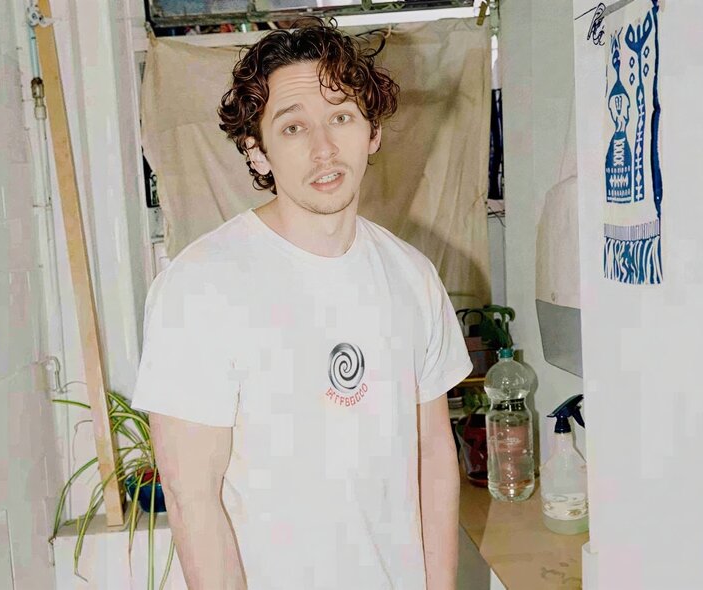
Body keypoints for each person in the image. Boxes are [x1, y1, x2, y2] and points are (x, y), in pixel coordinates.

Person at [132, 18, 471, 590]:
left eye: (340, 117)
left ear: (372, 133)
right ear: (256, 151)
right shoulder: (200, 288)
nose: (323, 149)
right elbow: (195, 505)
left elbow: (433, 456)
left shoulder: (413, 277)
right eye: (292, 128)